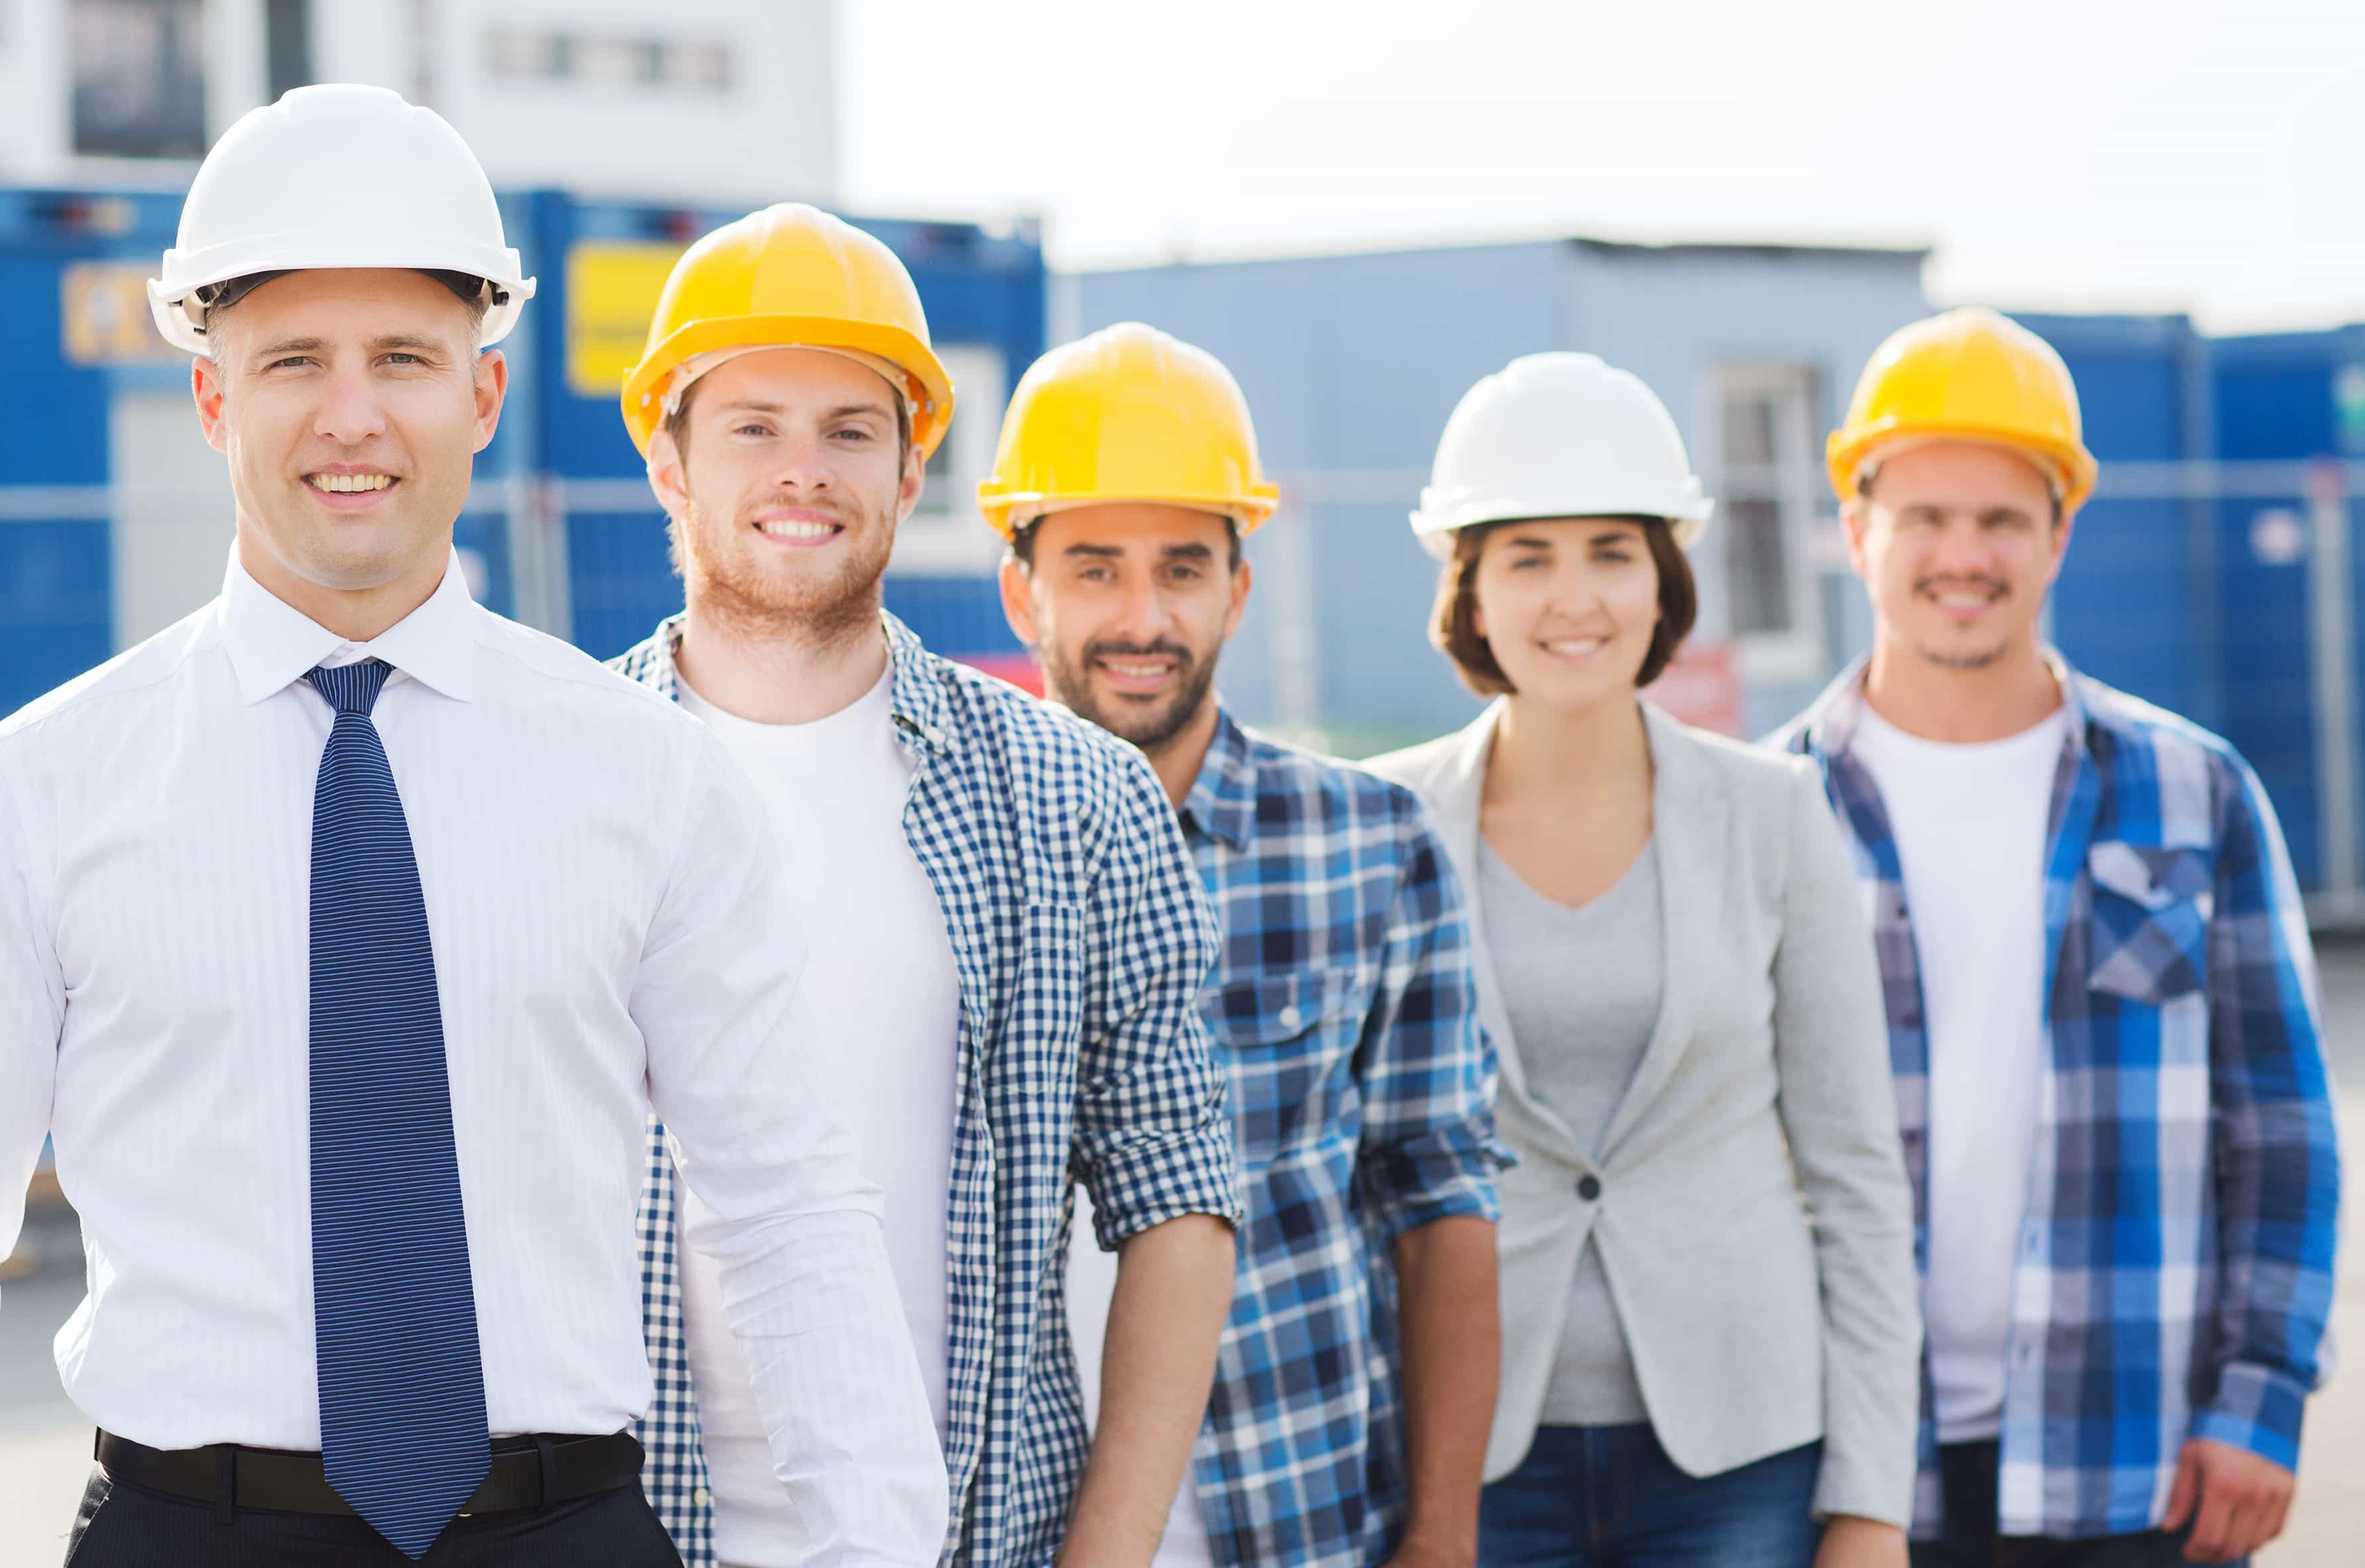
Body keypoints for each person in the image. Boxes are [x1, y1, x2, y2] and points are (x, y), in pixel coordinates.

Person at [0, 88, 947, 1568]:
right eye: (294, 358)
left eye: (403, 357)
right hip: (189, 1533)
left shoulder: (647, 780)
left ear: (480, 396)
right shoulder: (34, 793)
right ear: (213, 397)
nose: (351, 414)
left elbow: (790, 1211)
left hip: (564, 1529)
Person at [609, 207, 1244, 1568]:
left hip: (980, 1537)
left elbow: (1179, 1200)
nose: (804, 469)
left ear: (910, 469)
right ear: (665, 454)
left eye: (850, 427)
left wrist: (1105, 1555)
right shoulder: (548, 776)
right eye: (753, 425)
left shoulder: (1075, 796)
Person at [1777, 309, 2340, 1568]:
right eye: (1924, 516)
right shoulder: (1766, 809)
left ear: (2059, 535)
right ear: (1857, 528)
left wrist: (2265, 1394)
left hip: (2135, 1461)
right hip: (1849, 1467)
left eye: (2001, 519)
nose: (1963, 554)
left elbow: (2283, 1123)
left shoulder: (2195, 791)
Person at [1368, 353, 1920, 1568]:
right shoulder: (1382, 823)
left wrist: (1874, 1499)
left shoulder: (1775, 813)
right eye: (1529, 555)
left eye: (1612, 550)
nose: (1577, 597)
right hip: (1467, 1463)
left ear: (1664, 579)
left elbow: (1859, 1180)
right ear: (1470, 587)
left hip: (1740, 1460)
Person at [984, 321, 1515, 1568]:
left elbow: (1440, 1195)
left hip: (1300, 1506)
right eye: (1096, 568)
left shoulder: (1370, 844)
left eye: (1182, 567)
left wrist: (1441, 1533)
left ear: (1239, 584)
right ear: (1024, 589)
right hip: (1017, 1521)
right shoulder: (943, 847)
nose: (1143, 615)